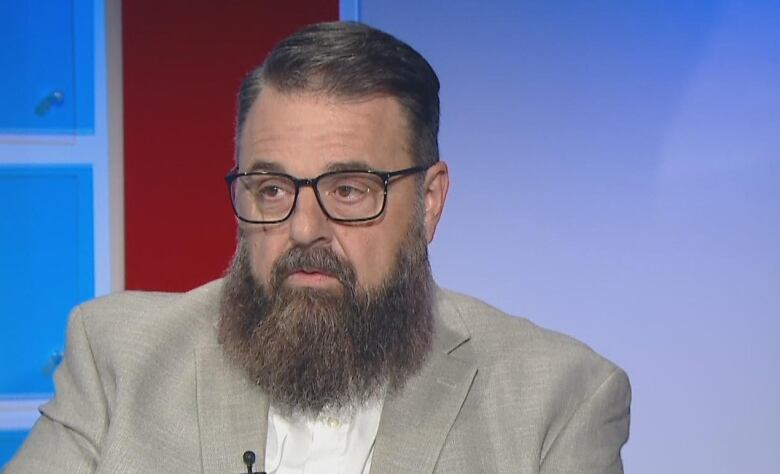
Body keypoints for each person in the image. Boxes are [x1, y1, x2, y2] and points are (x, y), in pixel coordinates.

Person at [5, 21, 630, 473]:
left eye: (350, 189)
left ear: (430, 200)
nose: (303, 228)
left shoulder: (560, 400)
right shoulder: (116, 357)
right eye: (273, 188)